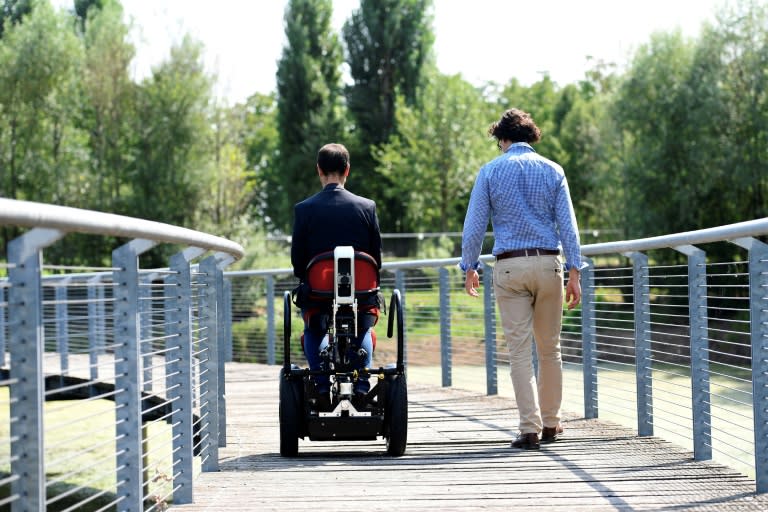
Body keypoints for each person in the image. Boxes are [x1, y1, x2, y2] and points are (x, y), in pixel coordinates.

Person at [459, 108, 583, 450]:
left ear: (503, 139)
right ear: (530, 137)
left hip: (510, 267)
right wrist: (575, 272)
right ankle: (552, 424)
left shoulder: (490, 171)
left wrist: (469, 266)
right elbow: (569, 227)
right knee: (550, 348)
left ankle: (528, 429)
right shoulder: (553, 170)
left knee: (518, 351)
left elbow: (474, 225)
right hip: (548, 265)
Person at [291, 143, 382, 407]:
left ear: (319, 170)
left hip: (319, 294)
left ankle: (320, 387)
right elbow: (376, 259)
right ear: (347, 170)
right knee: (363, 325)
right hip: (361, 293)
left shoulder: (304, 210)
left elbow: (298, 262)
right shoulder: (367, 207)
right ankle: (363, 385)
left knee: (314, 327)